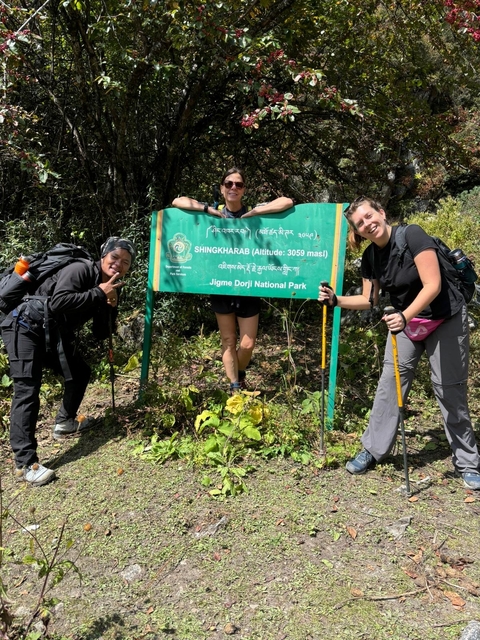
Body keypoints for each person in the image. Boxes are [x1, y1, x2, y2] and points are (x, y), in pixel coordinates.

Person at [319, 196, 480, 490]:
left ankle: (468, 461)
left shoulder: (413, 235)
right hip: (408, 323)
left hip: (445, 317)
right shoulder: (371, 257)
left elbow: (434, 285)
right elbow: (370, 300)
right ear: (358, 230)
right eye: (360, 223)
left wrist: (404, 316)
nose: (368, 224)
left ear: (381, 212)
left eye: (369, 216)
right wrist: (336, 300)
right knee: (389, 383)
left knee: (449, 389)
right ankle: (373, 449)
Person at [1, 237, 136, 487]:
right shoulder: (81, 269)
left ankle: (65, 422)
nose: (119, 264)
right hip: (23, 325)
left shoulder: (110, 285)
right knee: (27, 390)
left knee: (80, 371)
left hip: (51, 332)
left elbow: (99, 333)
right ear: (103, 256)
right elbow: (58, 302)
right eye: (114, 258)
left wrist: (110, 305)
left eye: (125, 262)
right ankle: (26, 464)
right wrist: (98, 293)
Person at [172, 167, 293, 392]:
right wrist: (208, 209)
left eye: (238, 184)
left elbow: (287, 201)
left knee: (247, 344)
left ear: (244, 189)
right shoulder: (214, 212)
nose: (233, 188)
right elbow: (177, 201)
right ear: (222, 188)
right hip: (221, 287)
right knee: (228, 341)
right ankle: (235, 388)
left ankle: (240, 373)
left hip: (248, 287)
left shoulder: (254, 212)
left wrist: (256, 213)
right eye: (228, 184)